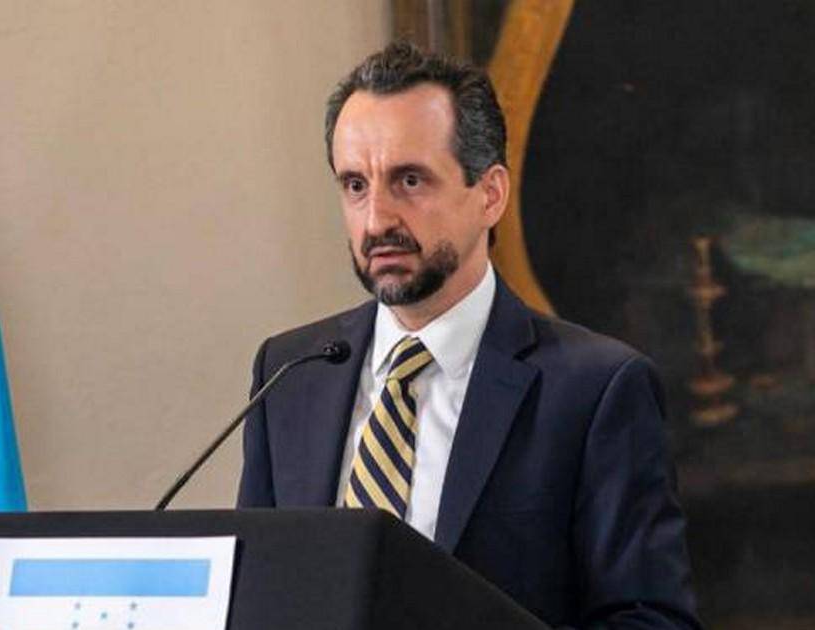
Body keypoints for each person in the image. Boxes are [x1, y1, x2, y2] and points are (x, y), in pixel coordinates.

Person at [236, 41, 701, 628]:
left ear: (490, 194)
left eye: (409, 180)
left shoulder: (596, 389)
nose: (376, 220)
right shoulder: (289, 373)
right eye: (355, 185)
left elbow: (651, 621)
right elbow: (252, 596)